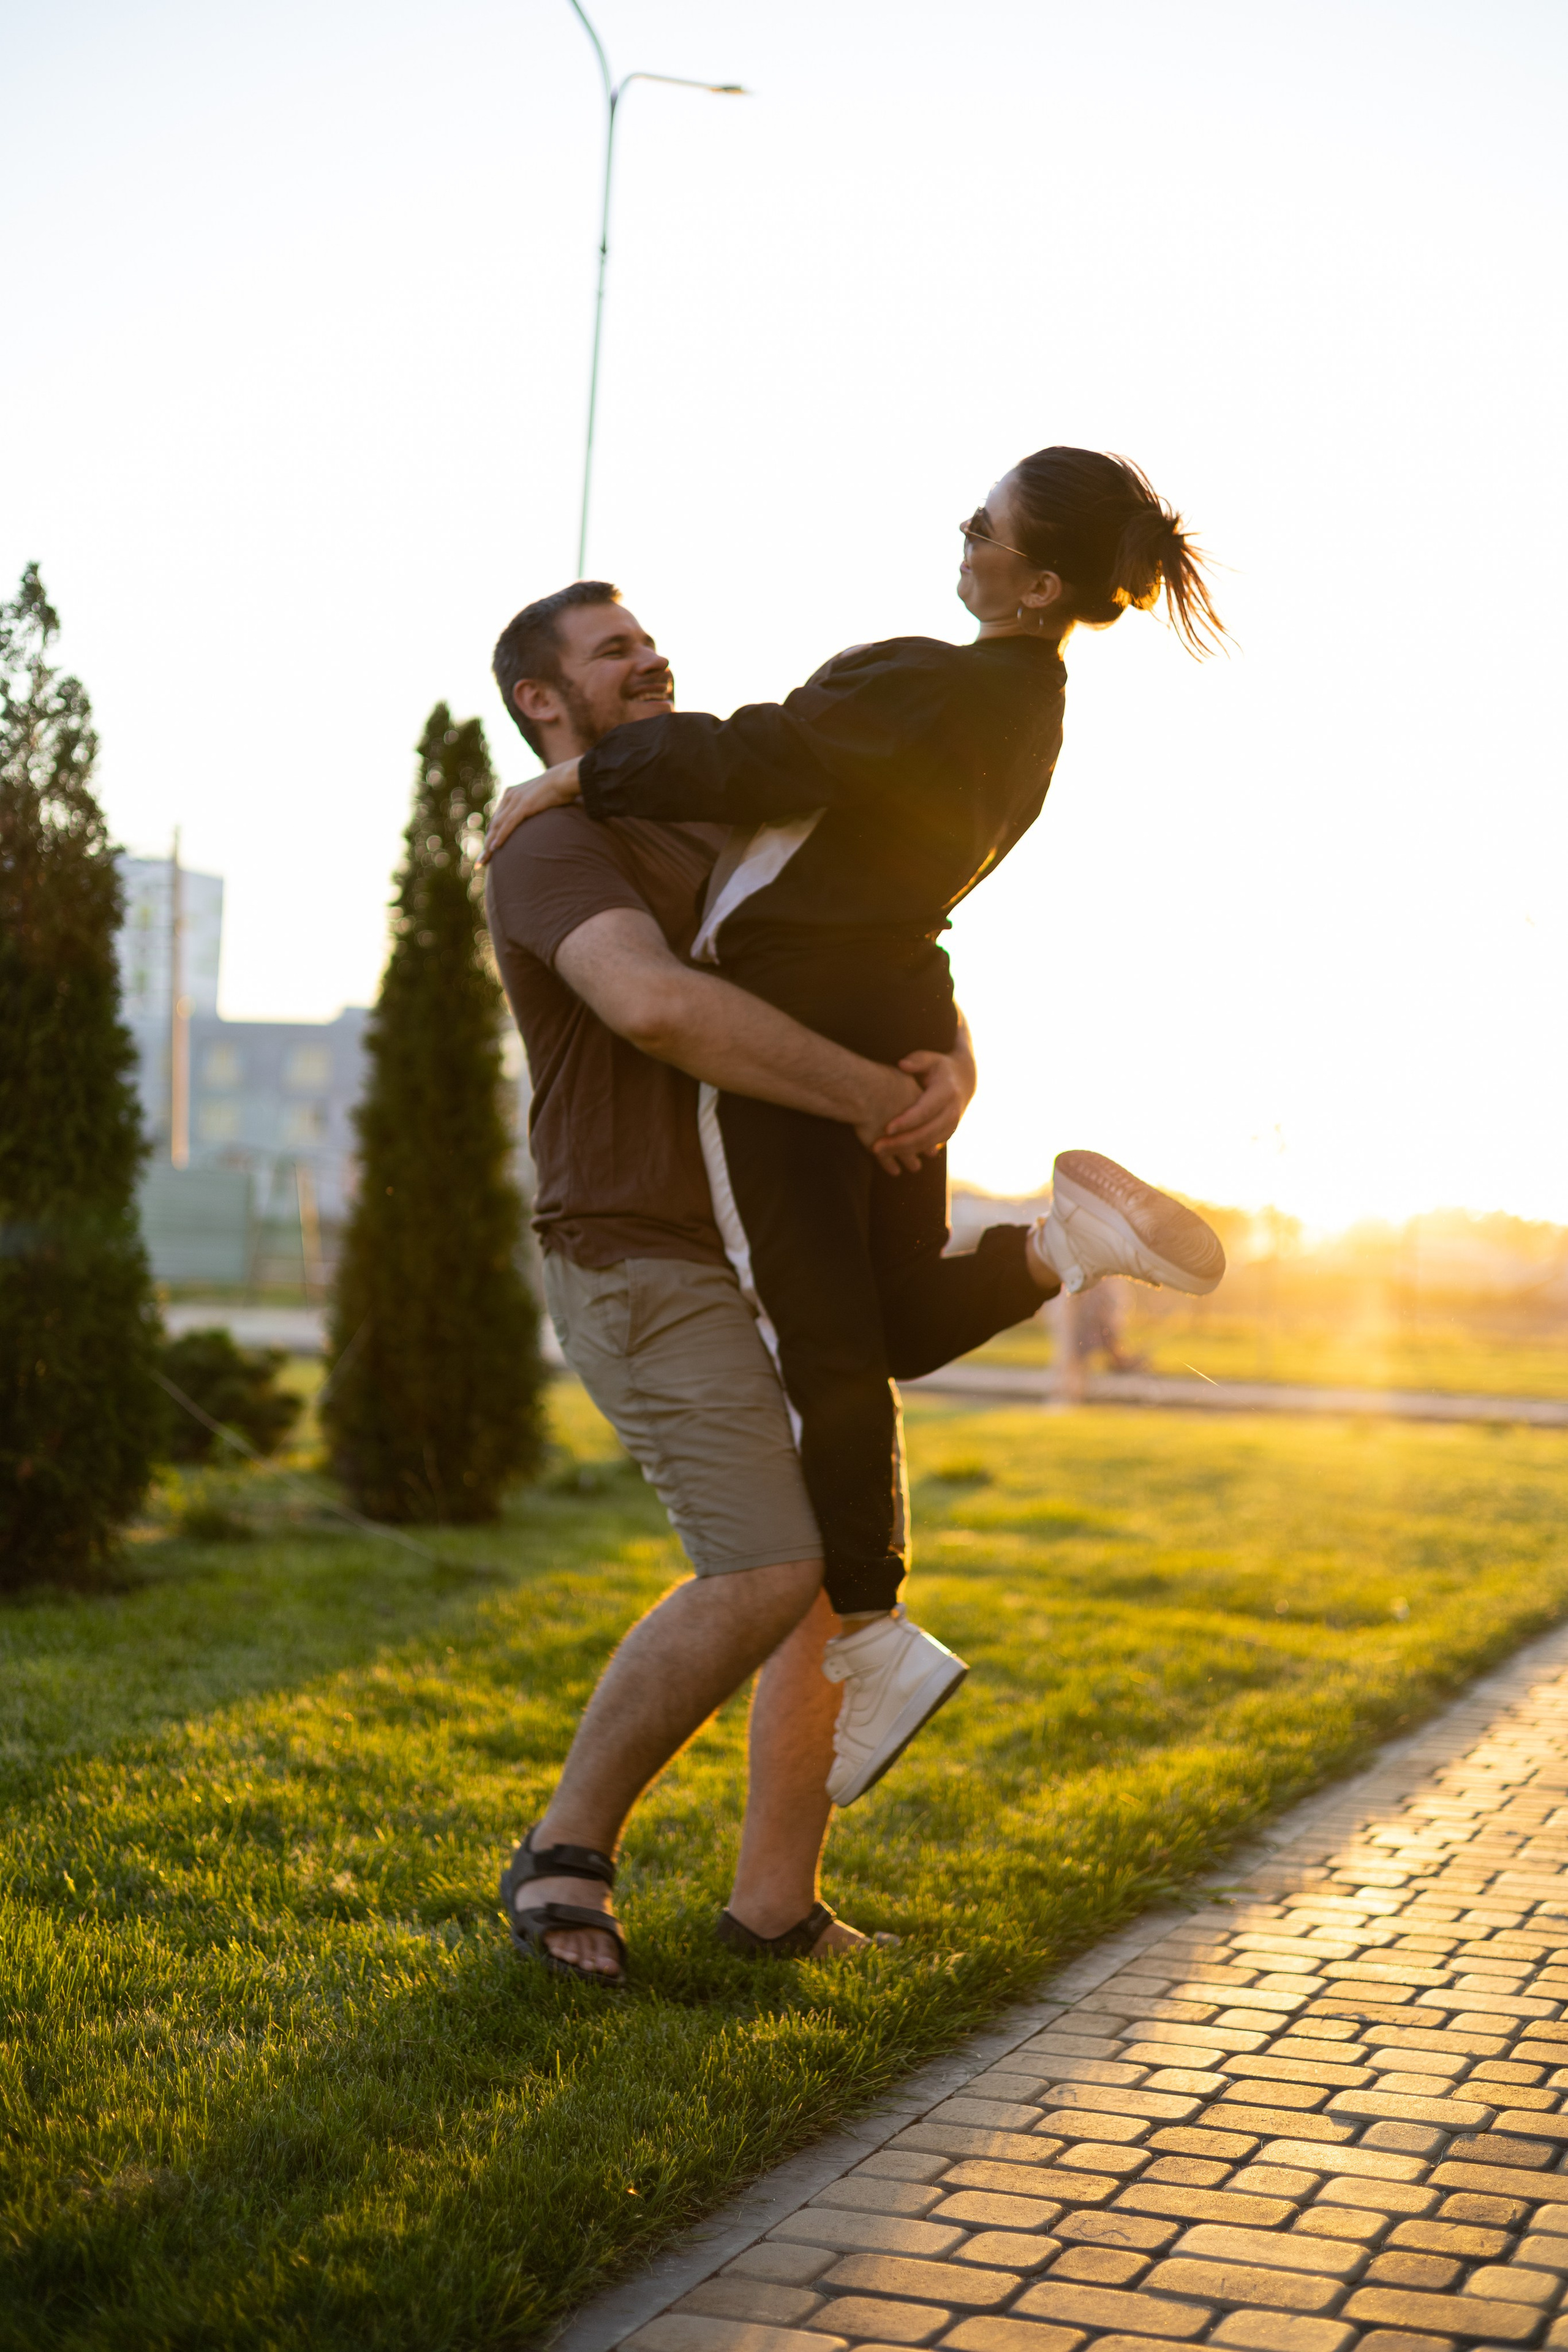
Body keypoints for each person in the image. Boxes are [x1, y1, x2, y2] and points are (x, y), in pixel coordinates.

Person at [481, 576, 1220, 1985]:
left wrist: (951, 1057)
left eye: (650, 637)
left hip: (781, 1230)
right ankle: (561, 1856)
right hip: (648, 1250)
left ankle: (775, 1909)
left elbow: (862, 928)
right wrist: (875, 1099)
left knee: (828, 1570)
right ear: (541, 699)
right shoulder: (553, 845)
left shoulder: (716, 811)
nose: (649, 658)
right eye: (610, 650)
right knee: (771, 1565)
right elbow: (658, 1004)